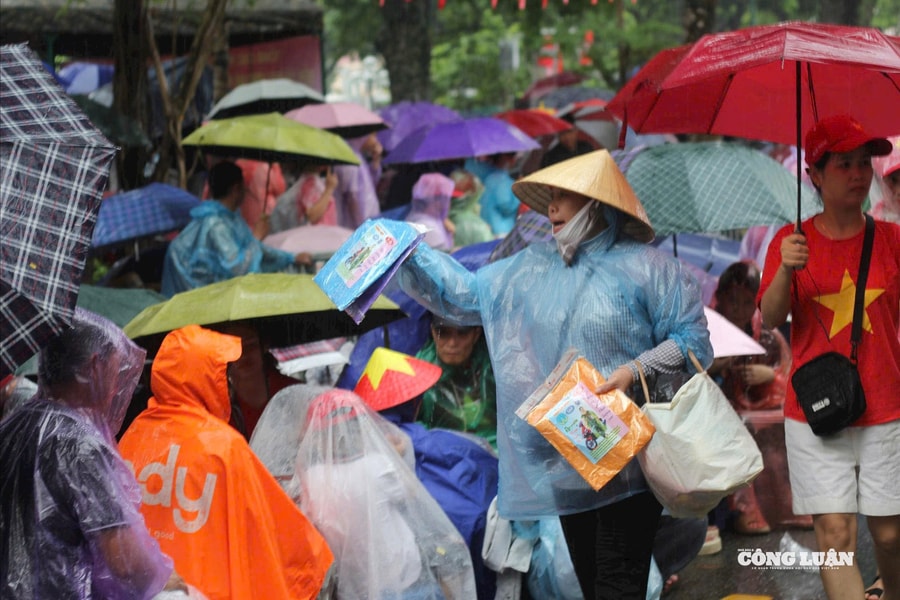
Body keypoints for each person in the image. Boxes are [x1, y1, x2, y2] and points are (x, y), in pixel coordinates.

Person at [396, 149, 712, 599]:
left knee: (617, 585)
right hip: (569, 455)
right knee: (590, 581)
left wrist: (633, 370)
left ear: (597, 202)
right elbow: (466, 296)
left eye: (565, 196)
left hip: (632, 460)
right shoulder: (533, 266)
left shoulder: (650, 269)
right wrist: (404, 251)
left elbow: (695, 345)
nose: (552, 208)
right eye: (550, 197)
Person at [758, 114, 900, 600]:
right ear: (814, 175)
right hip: (816, 414)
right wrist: (785, 270)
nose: (859, 174)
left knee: (890, 535)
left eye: (864, 163)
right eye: (844, 164)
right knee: (835, 537)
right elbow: (772, 316)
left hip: (886, 406)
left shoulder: (891, 240)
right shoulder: (789, 242)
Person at [118, 325, 334, 600]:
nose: (229, 381)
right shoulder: (221, 445)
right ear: (205, 376)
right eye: (222, 372)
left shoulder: (135, 434)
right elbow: (271, 527)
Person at [0, 308, 183, 599]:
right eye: (116, 366)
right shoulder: (78, 444)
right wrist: (166, 581)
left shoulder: (13, 427)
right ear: (95, 366)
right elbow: (125, 562)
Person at [292, 388, 477, 600]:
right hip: (403, 580)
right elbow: (412, 494)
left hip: (354, 587)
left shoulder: (311, 478)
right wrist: (398, 454)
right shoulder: (378, 465)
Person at [708, 261, 808, 535]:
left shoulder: (767, 333)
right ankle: (746, 509)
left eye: (746, 301)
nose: (738, 308)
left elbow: (787, 372)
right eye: (732, 301)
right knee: (738, 434)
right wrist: (717, 367)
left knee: (783, 432)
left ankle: (789, 505)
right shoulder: (709, 330)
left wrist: (769, 375)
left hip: (767, 405)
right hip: (725, 407)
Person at [161, 161, 310, 297]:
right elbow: (237, 268)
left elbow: (254, 251)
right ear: (236, 189)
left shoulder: (230, 219)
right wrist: (256, 237)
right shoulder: (215, 225)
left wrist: (290, 258)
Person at [416, 313, 497, 447]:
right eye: (444, 333)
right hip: (438, 457)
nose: (452, 343)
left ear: (476, 334)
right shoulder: (418, 370)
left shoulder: (494, 366)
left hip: (493, 457)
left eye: (462, 333)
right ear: (433, 331)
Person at [333, 132, 384, 229]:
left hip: (368, 221)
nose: (376, 140)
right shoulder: (349, 159)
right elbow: (352, 197)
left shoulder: (358, 155)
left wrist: (376, 159)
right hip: (356, 226)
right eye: (373, 135)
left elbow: (370, 184)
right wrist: (361, 228)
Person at [270, 164, 340, 233]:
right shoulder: (310, 183)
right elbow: (312, 215)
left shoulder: (308, 182)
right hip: (317, 237)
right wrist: (329, 189)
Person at [405, 172, 456, 251]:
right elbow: (442, 259)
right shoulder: (429, 227)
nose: (449, 203)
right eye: (446, 198)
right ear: (437, 201)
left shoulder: (418, 218)